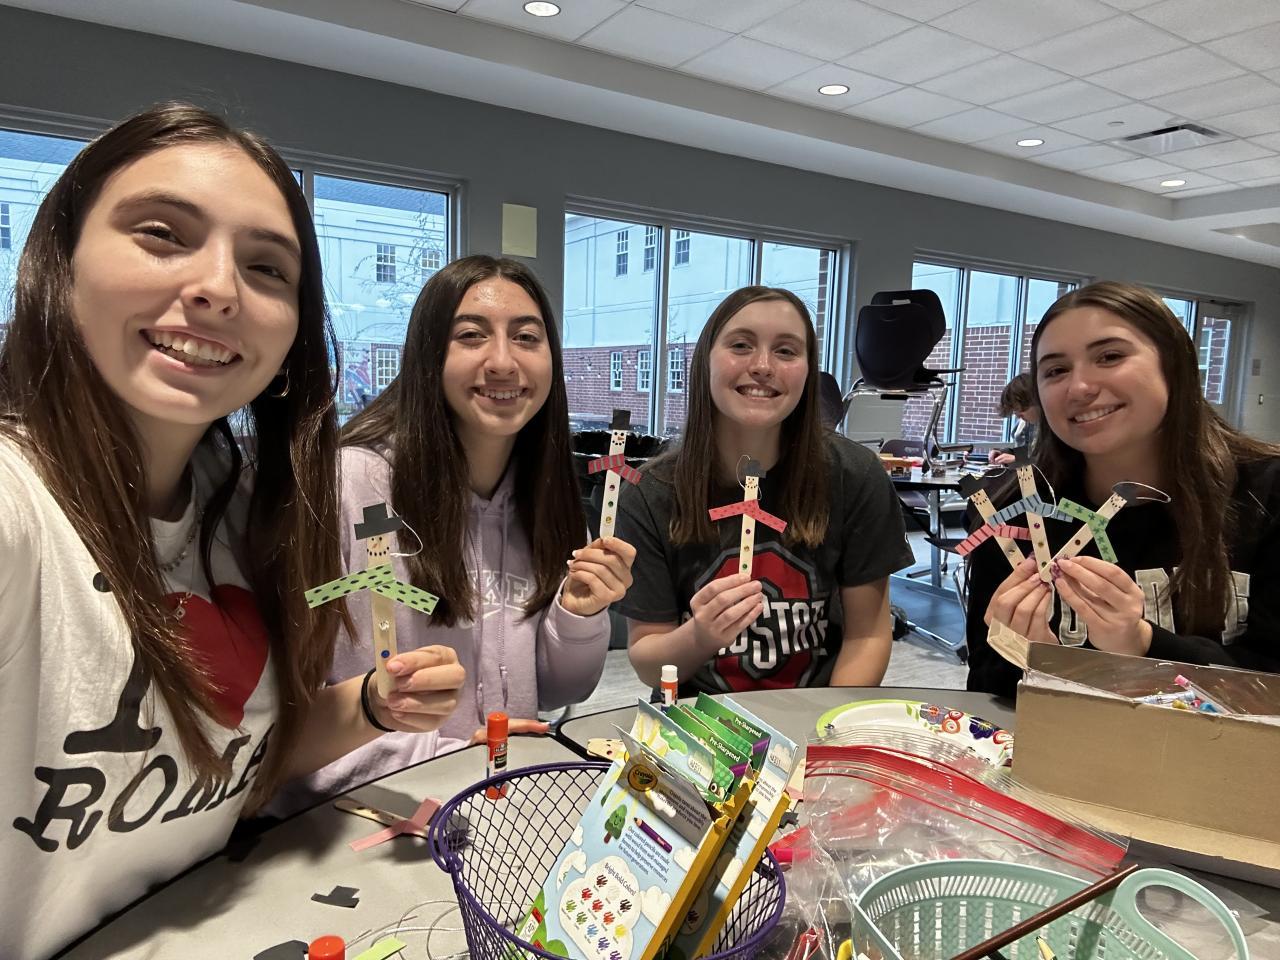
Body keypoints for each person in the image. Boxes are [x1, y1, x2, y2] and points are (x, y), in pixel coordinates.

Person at [0, 103, 464, 960]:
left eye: (265, 267)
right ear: (59, 263)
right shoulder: (17, 509)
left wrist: (371, 704)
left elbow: (238, 762)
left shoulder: (249, 508)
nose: (219, 287)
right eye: (161, 234)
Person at [275, 255, 635, 809]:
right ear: (428, 355)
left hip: (500, 806)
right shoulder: (346, 486)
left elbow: (556, 691)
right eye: (471, 335)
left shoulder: (549, 497)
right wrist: (444, 754)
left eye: (526, 337)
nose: (503, 361)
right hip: (363, 812)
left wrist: (578, 617)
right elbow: (281, 719)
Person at [967, 281, 1280, 697]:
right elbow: (986, 690)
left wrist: (1143, 644)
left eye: (1110, 356)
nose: (1080, 387)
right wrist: (1030, 658)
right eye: (1056, 370)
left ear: (1174, 365)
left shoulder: (1268, 493)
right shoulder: (1015, 511)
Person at [616, 286, 915, 695]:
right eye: (741, 345)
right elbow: (650, 664)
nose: (762, 366)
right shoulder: (651, 493)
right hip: (694, 724)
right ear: (705, 361)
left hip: (814, 719)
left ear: (808, 372)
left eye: (786, 351)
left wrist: (823, 726)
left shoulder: (856, 476)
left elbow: (867, 637)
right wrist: (700, 635)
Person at [989, 373, 1040, 465]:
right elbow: (1029, 453)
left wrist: (1018, 459)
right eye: (1014, 411)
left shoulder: (1055, 428)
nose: (1018, 416)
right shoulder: (1030, 424)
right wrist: (1005, 453)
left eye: (1020, 409)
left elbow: (1049, 463)